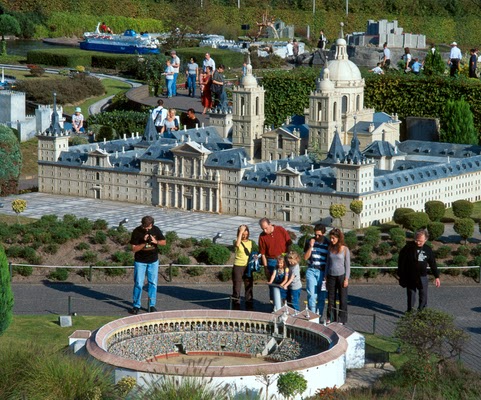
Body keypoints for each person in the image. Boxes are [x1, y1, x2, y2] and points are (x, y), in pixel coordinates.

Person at [129, 216, 166, 314]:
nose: (147, 229)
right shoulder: (136, 231)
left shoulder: (156, 229)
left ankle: (151, 305)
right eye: (145, 227)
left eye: (148, 227)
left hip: (153, 261)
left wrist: (155, 241)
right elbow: (134, 249)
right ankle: (136, 305)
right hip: (140, 261)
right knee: (138, 284)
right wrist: (143, 242)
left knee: (153, 283)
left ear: (152, 225)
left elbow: (164, 242)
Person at [398, 228, 440, 312]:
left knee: (423, 295)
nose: (418, 242)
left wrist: (437, 276)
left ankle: (421, 311)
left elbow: (433, 263)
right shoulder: (408, 247)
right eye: (416, 240)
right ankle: (410, 311)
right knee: (411, 295)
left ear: (426, 239)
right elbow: (401, 261)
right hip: (410, 276)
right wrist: (401, 274)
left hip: (422, 276)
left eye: (420, 241)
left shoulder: (428, 249)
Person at [258, 217, 292, 301]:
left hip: (283, 260)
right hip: (271, 261)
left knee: (285, 281)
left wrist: (288, 259)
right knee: (273, 283)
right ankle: (274, 303)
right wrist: (265, 268)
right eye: (263, 229)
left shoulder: (280, 230)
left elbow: (289, 244)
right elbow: (263, 254)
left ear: (270, 224)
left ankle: (286, 302)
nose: (265, 231)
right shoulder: (262, 236)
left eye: (266, 228)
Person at [303, 224, 330, 318]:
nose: (317, 237)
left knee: (321, 296)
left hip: (322, 272)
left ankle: (319, 316)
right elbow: (305, 257)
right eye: (316, 234)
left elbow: (329, 260)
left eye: (319, 235)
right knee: (312, 295)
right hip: (312, 269)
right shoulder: (310, 241)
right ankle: (312, 315)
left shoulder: (328, 243)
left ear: (324, 233)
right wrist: (311, 246)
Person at [326, 228, 350, 324]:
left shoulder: (345, 249)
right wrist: (325, 275)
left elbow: (347, 265)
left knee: (342, 299)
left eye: (333, 238)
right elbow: (328, 263)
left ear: (338, 238)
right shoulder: (330, 248)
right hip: (331, 276)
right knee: (331, 299)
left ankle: (342, 319)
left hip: (341, 276)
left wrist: (346, 279)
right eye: (331, 238)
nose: (331, 240)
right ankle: (331, 318)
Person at [232, 224, 255, 310]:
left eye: (246, 233)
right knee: (237, 286)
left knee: (249, 285)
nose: (245, 235)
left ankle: (249, 303)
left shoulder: (250, 242)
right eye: (243, 234)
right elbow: (237, 245)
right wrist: (241, 231)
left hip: (247, 266)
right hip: (238, 265)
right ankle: (236, 305)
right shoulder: (237, 241)